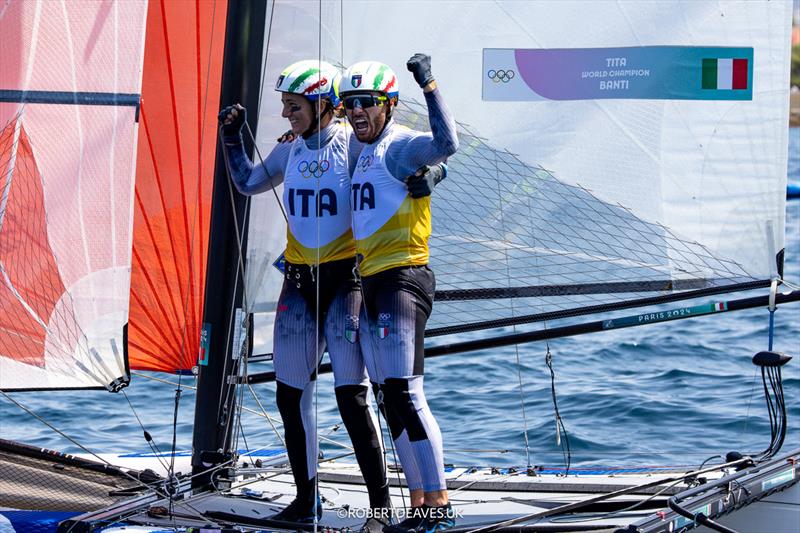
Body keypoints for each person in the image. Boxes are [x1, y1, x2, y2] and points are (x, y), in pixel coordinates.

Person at [218, 60, 444, 530]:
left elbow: (408, 160)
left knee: (353, 397)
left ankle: (381, 511)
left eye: (293, 105)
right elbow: (245, 182)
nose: (285, 114)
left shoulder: (354, 144)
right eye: (283, 105)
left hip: (348, 284)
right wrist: (232, 135)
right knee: (288, 394)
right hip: (299, 285)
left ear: (324, 104)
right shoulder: (290, 149)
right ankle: (307, 500)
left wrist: (436, 173)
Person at [339, 54, 458, 533]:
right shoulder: (359, 147)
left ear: (387, 105)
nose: (357, 111)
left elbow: (447, 145)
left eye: (366, 102)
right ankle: (420, 505)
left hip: (402, 278)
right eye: (349, 105)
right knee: (391, 396)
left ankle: (438, 509)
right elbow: (325, 139)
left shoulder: (399, 144)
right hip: (371, 281)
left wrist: (428, 83)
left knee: (407, 393)